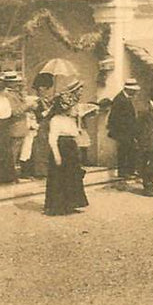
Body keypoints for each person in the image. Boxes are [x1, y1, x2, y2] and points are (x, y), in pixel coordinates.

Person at [43, 82, 89, 216]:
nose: (74, 110)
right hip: (61, 147)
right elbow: (52, 139)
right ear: (65, 108)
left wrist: (78, 130)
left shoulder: (70, 120)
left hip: (71, 148)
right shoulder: (56, 120)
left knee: (72, 176)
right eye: (71, 107)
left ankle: (71, 203)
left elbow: (74, 133)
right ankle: (57, 206)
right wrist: (56, 155)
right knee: (59, 178)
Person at [0, 71, 28, 185]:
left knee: (7, 152)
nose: (7, 91)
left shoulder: (5, 99)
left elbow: (9, 113)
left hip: (5, 126)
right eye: (5, 90)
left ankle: (8, 176)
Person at [106, 79, 140, 178]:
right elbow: (116, 117)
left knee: (129, 149)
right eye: (133, 91)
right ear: (128, 89)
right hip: (122, 130)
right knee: (124, 150)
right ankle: (123, 171)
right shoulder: (120, 99)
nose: (134, 93)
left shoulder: (125, 98)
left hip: (127, 130)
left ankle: (129, 170)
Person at [137, 95, 153, 197]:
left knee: (152, 166)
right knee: (147, 166)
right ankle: (148, 188)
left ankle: (151, 187)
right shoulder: (145, 110)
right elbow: (140, 127)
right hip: (147, 143)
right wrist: (144, 142)